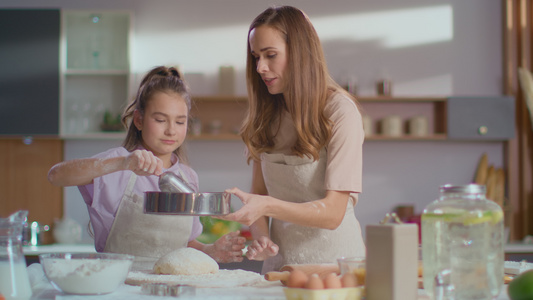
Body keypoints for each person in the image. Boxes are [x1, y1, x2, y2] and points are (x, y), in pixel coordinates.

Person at [48, 66, 245, 269]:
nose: (170, 130)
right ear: (139, 120)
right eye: (160, 120)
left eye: (180, 121)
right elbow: (56, 175)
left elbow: (184, 244)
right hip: (121, 287)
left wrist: (210, 250)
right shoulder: (119, 164)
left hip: (172, 289)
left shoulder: (188, 177)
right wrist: (123, 163)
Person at [219, 6, 366, 273]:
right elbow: (259, 196)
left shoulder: (340, 112)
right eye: (256, 57)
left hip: (334, 268)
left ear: (300, 53)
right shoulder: (265, 115)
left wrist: (266, 206)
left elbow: (333, 213)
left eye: (270, 55)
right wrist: (262, 236)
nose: (260, 67)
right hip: (279, 269)